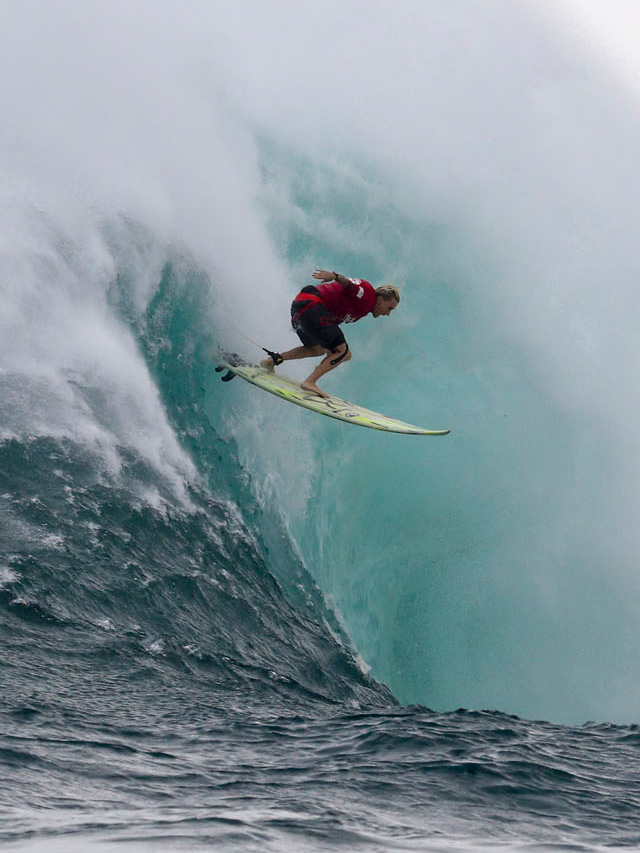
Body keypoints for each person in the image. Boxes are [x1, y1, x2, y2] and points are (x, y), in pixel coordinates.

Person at [261, 269, 400, 398]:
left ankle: (271, 361)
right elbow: (349, 285)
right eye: (389, 308)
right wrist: (335, 276)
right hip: (312, 304)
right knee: (345, 353)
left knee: (317, 349)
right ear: (381, 300)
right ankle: (310, 382)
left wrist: (332, 351)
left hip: (302, 307)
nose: (387, 314)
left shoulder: (362, 309)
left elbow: (329, 325)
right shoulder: (367, 295)